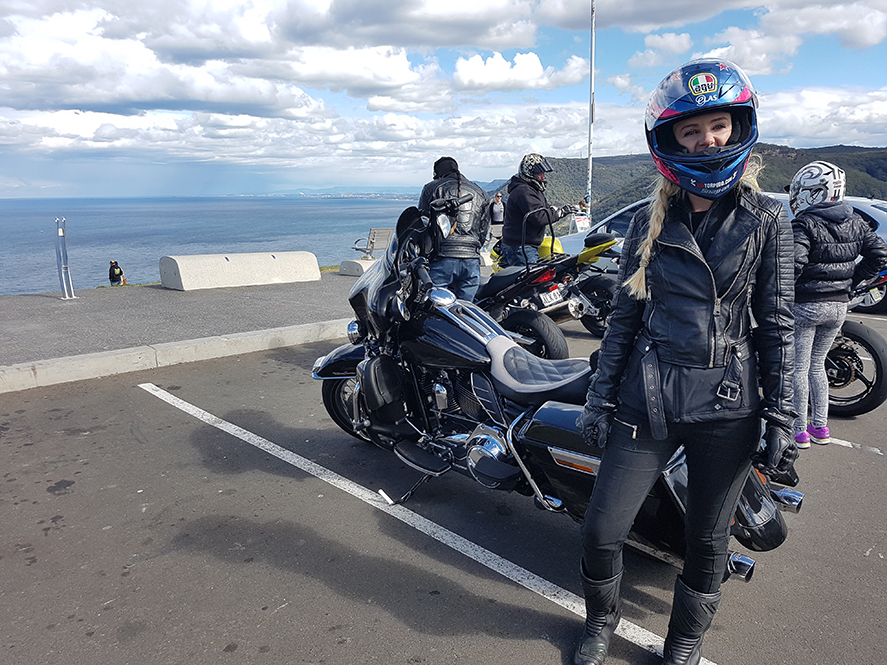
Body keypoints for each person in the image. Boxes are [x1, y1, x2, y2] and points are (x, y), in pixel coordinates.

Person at [573, 59, 798, 665]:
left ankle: (685, 639)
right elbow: (624, 318)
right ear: (669, 140)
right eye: (691, 131)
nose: (708, 139)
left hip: (728, 404)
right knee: (601, 529)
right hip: (647, 396)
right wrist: (599, 395)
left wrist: (784, 415)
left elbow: (777, 324)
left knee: (709, 538)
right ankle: (600, 622)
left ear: (738, 125)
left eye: (718, 124)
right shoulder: (649, 222)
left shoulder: (767, 218)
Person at [789, 161, 887, 447]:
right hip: (839, 306)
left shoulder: (806, 223)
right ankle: (821, 428)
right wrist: (852, 281)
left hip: (806, 306)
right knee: (817, 366)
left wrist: (780, 291)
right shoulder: (856, 220)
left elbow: (793, 263)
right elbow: (879, 255)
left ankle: (799, 431)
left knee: (798, 368)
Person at [417, 156, 490, 301]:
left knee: (436, 309)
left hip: (442, 257)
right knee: (465, 312)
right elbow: (483, 230)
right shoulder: (480, 192)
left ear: (438, 174)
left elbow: (422, 224)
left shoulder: (432, 188)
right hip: (471, 259)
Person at [501, 153, 577, 267]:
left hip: (523, 245)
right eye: (539, 174)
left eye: (543, 173)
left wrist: (555, 211)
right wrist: (561, 212)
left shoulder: (533, 190)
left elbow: (546, 208)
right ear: (529, 173)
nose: (543, 177)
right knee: (530, 282)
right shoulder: (524, 192)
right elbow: (539, 217)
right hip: (521, 247)